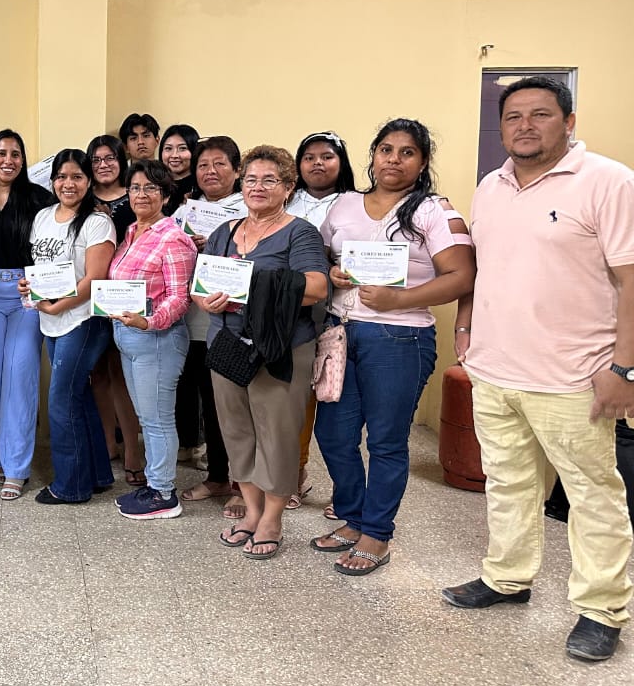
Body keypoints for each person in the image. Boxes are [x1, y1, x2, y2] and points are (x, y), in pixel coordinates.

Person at [443, 76, 634, 663]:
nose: (525, 126)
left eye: (541, 115)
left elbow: (631, 280)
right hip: (496, 370)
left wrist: (625, 368)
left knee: (592, 494)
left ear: (569, 122)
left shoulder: (608, 181)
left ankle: (602, 609)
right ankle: (507, 577)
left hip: (574, 376)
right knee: (508, 482)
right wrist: (466, 325)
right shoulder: (491, 186)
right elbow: (484, 268)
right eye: (514, 117)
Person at [312, 120, 473, 575]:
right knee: (334, 434)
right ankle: (353, 517)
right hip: (341, 333)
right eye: (386, 150)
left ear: (422, 162)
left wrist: (399, 299)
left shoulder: (433, 210)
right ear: (373, 155)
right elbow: (321, 254)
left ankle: (376, 534)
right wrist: (333, 272)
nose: (394, 160)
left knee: (385, 441)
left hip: (399, 337)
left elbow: (462, 276)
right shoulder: (344, 203)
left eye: (407, 152)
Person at [195, 146, 329, 559]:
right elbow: (201, 284)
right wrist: (205, 300)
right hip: (227, 344)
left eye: (270, 179)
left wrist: (252, 285)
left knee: (277, 435)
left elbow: (316, 287)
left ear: (288, 187)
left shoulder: (300, 233)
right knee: (237, 432)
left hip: (279, 349)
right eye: (251, 179)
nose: (258, 187)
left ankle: (272, 518)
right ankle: (251, 512)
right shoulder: (225, 232)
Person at [21, 149, 117, 504]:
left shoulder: (97, 222)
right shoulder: (42, 217)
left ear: (89, 181)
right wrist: (29, 288)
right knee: (78, 396)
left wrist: (57, 305)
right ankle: (97, 474)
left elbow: (94, 279)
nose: (68, 183)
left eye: (77, 176)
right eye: (61, 176)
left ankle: (71, 486)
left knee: (61, 400)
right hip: (52, 319)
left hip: (83, 320)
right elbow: (39, 268)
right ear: (52, 181)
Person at [0, 129, 54, 500]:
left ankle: (16, 467)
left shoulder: (39, 198)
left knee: (20, 377)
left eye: (16, 154)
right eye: (1, 153)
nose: (8, 160)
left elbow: (55, 242)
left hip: (25, 295)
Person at [107, 159, 196, 520]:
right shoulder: (131, 232)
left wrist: (149, 322)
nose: (141, 194)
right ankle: (156, 482)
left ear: (166, 195)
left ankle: (163, 494)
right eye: (135, 188)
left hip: (157, 339)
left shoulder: (173, 238)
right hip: (129, 338)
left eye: (150, 188)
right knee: (147, 417)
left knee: (158, 420)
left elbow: (179, 297)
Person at [287, 130, 357, 516]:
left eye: (327, 156)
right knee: (297, 399)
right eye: (309, 156)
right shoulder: (286, 199)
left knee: (334, 403)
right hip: (291, 313)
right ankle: (295, 474)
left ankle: (344, 488)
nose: (317, 163)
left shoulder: (355, 203)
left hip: (337, 313)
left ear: (341, 163)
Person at [178, 136, 248, 508]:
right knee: (210, 401)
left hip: (233, 323)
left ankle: (242, 484)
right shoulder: (186, 211)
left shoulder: (248, 207)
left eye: (220, 163)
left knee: (235, 407)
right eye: (203, 165)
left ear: (237, 170)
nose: (210, 171)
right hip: (193, 321)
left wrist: (218, 246)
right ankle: (219, 477)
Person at [85, 135, 142, 480]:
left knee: (123, 375)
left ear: (122, 161)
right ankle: (107, 444)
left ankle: (133, 451)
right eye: (96, 159)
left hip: (125, 296)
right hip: (88, 295)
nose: (103, 165)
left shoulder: (136, 195)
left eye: (110, 158)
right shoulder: (82, 197)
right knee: (98, 373)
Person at [159, 123, 200, 215]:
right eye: (168, 148)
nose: (174, 155)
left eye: (182, 148)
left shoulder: (201, 186)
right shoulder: (155, 184)